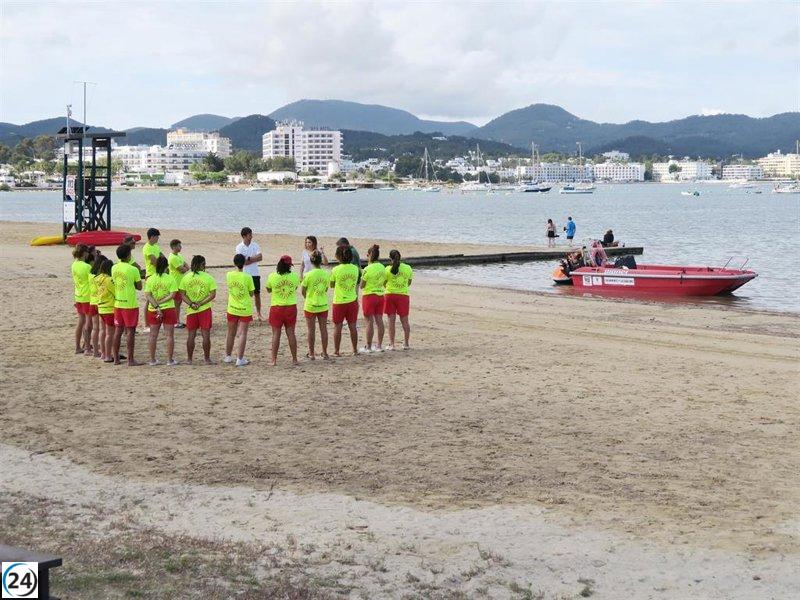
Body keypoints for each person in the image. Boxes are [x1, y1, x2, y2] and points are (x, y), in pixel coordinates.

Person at [179, 255, 217, 365]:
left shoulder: (186, 277)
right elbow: (212, 294)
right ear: (202, 265)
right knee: (206, 334)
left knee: (191, 334)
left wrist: (191, 303)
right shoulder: (208, 277)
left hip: (191, 309)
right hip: (204, 309)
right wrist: (201, 303)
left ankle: (189, 359)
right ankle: (206, 358)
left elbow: (182, 294)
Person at [144, 255, 178, 366]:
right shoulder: (170, 278)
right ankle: (169, 360)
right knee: (169, 335)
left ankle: (152, 359)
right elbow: (173, 295)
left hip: (153, 309)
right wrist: (163, 301)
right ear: (166, 266)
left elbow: (148, 295)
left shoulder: (150, 279)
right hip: (168, 308)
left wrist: (156, 305)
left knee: (153, 335)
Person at [111, 243, 143, 366]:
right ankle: (130, 359)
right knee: (130, 331)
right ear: (128, 255)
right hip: (130, 304)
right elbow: (139, 287)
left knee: (118, 331)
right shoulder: (133, 269)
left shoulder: (114, 268)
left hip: (118, 302)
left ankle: (116, 358)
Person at [266, 255, 300, 365]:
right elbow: (294, 288)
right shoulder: (294, 276)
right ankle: (294, 359)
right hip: (290, 307)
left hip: (277, 307)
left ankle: (274, 360)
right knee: (291, 333)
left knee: (276, 334)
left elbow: (268, 289)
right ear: (289, 266)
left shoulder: (272, 276)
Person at [224, 253, 255, 367]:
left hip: (232, 307)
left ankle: (228, 356)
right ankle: (239, 358)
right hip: (244, 308)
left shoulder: (229, 275)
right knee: (242, 334)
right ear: (244, 263)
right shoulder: (247, 277)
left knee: (230, 333)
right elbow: (251, 293)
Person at [330, 245, 360, 356]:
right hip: (352, 300)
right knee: (352, 326)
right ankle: (355, 349)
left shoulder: (335, 270)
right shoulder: (355, 268)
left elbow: (332, 284)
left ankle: (337, 351)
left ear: (338, 257)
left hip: (339, 301)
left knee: (337, 326)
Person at [300, 249, 330, 360]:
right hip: (322, 304)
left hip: (310, 304)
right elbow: (326, 288)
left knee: (311, 330)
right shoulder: (326, 274)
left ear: (311, 261)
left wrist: (307, 297)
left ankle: (311, 353)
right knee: (323, 329)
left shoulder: (308, 275)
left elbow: (303, 290)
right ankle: (325, 352)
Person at [360, 244, 387, 353]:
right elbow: (385, 281)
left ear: (370, 255)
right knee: (379, 320)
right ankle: (379, 345)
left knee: (369, 322)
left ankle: (369, 346)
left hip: (369, 295)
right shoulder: (382, 267)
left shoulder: (367, 269)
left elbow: (362, 285)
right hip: (380, 295)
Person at [384, 250, 412, 350]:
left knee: (391, 321)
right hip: (403, 296)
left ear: (390, 258)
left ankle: (392, 344)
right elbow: (409, 282)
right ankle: (406, 343)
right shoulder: (407, 268)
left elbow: (384, 282)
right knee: (405, 321)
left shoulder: (387, 269)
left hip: (390, 295)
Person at [236, 227, 264, 321]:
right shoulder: (239, 247)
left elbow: (260, 257)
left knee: (257, 294)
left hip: (255, 273)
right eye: (249, 235)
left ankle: (259, 313)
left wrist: (248, 258)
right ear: (244, 236)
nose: (251, 236)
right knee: (245, 294)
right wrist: (252, 259)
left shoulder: (255, 245)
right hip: (244, 273)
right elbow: (242, 262)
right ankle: (244, 312)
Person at [71, 244, 91, 354]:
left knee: (80, 322)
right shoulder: (86, 266)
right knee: (88, 323)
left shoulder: (74, 264)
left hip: (78, 294)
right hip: (87, 295)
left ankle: (78, 346)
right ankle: (87, 347)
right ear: (84, 253)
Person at [96, 258, 115, 363]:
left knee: (103, 331)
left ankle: (103, 353)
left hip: (100, 307)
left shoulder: (97, 278)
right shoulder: (109, 280)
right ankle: (108, 355)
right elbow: (115, 292)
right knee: (110, 334)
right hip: (109, 308)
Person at [87, 252, 105, 358]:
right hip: (100, 302)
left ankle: (94, 352)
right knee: (102, 329)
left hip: (92, 301)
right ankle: (102, 351)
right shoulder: (100, 277)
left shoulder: (90, 275)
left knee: (95, 328)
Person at [168, 239, 189, 328]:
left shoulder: (179, 255)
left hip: (181, 283)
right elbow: (182, 269)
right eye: (179, 246)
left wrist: (185, 268)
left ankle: (177, 320)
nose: (180, 247)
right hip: (175, 283)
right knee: (176, 303)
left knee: (179, 303)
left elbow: (187, 266)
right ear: (174, 247)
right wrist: (185, 268)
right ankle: (176, 321)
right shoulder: (173, 257)